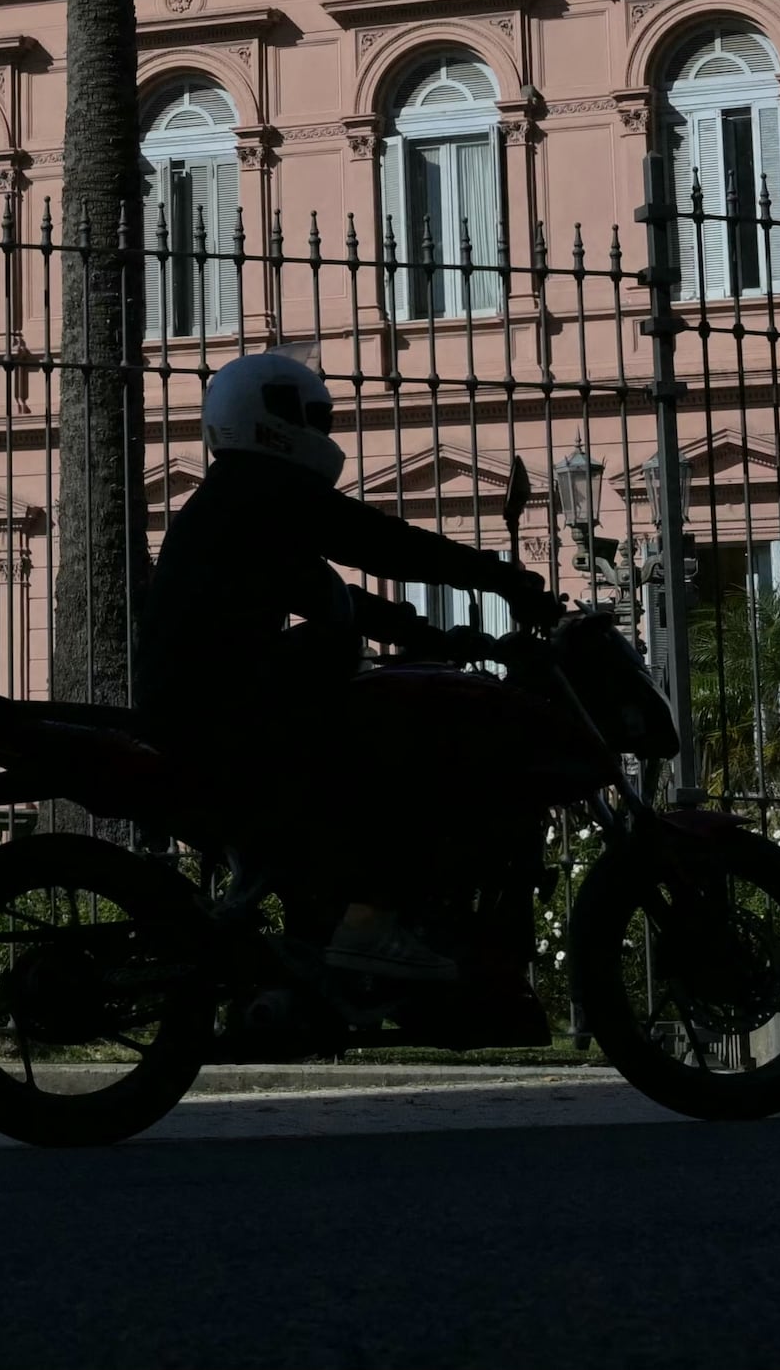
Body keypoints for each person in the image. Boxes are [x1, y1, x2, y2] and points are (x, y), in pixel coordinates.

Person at [135, 347, 559, 1043]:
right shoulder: (259, 490)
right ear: (269, 418)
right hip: (220, 709)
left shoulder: (247, 503)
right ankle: (368, 932)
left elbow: (334, 594)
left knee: (369, 691)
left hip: (218, 704)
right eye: (311, 416)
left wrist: (441, 637)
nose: (321, 430)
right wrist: (498, 577)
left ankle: (341, 937)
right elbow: (376, 542)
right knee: (382, 738)